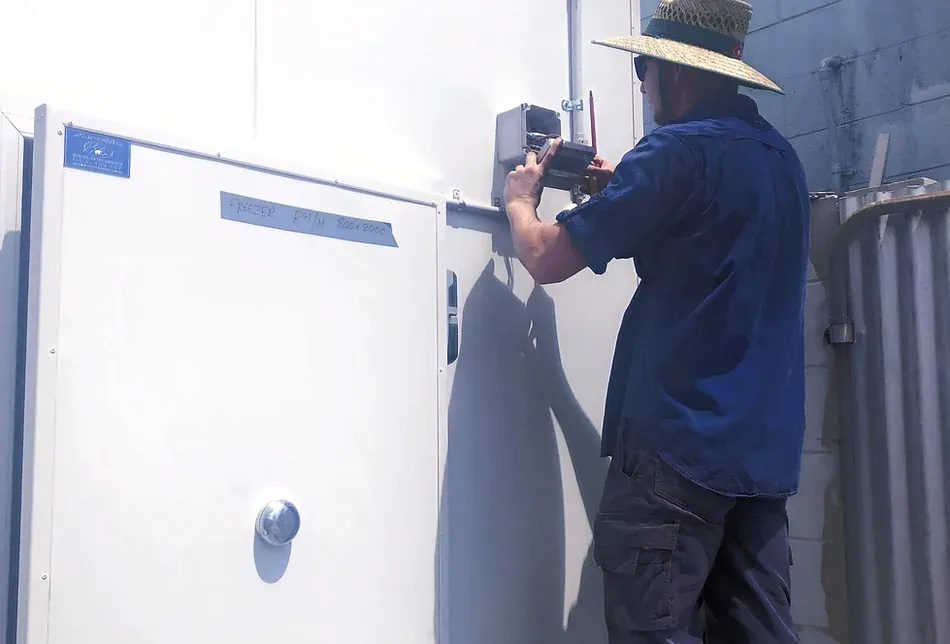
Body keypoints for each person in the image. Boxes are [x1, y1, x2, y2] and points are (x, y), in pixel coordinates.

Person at [502, 0, 808, 641]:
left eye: (644, 68)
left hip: (675, 454)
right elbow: (711, 245)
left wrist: (519, 201)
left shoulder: (673, 153)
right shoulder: (780, 159)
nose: (641, 85)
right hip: (758, 461)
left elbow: (546, 258)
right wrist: (625, 188)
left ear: (679, 73)